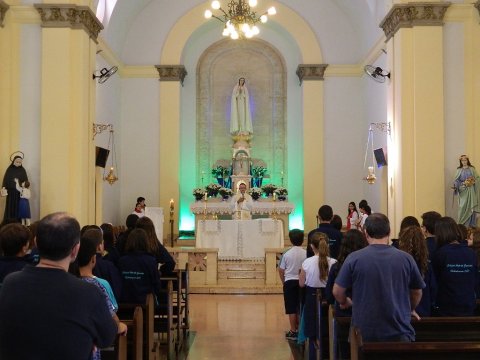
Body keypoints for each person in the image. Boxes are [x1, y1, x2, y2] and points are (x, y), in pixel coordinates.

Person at [0, 212, 118, 359]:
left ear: (36, 242)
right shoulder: (88, 292)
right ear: (75, 250)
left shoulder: (10, 284)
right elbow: (107, 337)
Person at [333, 213, 425, 342]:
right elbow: (417, 291)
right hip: (399, 332)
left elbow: (337, 291)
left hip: (364, 333)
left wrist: (344, 301)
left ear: (366, 233)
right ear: (389, 231)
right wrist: (409, 308)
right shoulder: (406, 259)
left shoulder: (354, 258)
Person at [70, 230, 128, 360]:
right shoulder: (97, 286)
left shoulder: (65, 282)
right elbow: (112, 320)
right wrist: (119, 326)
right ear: (93, 259)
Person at [325, 229, 367, 360]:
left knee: (344, 351)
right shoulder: (367, 265)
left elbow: (330, 296)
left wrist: (344, 301)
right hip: (365, 315)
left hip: (343, 315)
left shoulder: (337, 267)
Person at [299, 232, 337, 360]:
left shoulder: (307, 262)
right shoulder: (334, 262)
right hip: (328, 297)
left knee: (312, 330)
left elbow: (301, 283)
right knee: (328, 329)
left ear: (311, 246)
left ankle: (313, 354)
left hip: (311, 296)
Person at [432, 216, 478, 316]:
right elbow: (474, 280)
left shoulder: (440, 254)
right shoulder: (471, 253)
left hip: (446, 308)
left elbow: (435, 282)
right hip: (468, 306)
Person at [398, 225, 437, 317]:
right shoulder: (426, 264)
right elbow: (433, 288)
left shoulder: (399, 263)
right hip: (424, 310)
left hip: (402, 311)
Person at [118, 228, 162, 305]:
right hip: (146, 303)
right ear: (145, 242)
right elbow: (157, 285)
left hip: (125, 303)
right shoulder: (150, 261)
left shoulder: (122, 261)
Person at [278, 229, 306, 340]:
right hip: (302, 282)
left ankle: (293, 331)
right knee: (300, 305)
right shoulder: (306, 252)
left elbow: (281, 270)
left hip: (289, 282)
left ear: (290, 240)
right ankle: (300, 330)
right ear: (302, 239)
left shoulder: (286, 253)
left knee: (291, 308)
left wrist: (284, 282)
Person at [453, 155, 480, 226]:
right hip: (463, 191)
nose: (464, 162)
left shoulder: (472, 169)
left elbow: (477, 178)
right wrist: (456, 185)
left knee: (471, 207)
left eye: (465, 160)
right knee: (462, 207)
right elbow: (456, 180)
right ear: (460, 161)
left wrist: (472, 181)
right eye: (462, 160)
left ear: (467, 161)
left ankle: (471, 225)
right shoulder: (459, 170)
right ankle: (462, 225)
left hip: (471, 191)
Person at [1, 154, 28, 224]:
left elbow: (25, 181)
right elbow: (5, 179)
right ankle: (8, 223)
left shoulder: (23, 170)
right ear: (13, 161)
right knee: (10, 208)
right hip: (10, 192)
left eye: (20, 162)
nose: (18, 163)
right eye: (17, 162)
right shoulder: (9, 169)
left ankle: (18, 223)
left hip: (19, 194)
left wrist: (25, 187)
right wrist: (4, 187)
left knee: (19, 208)